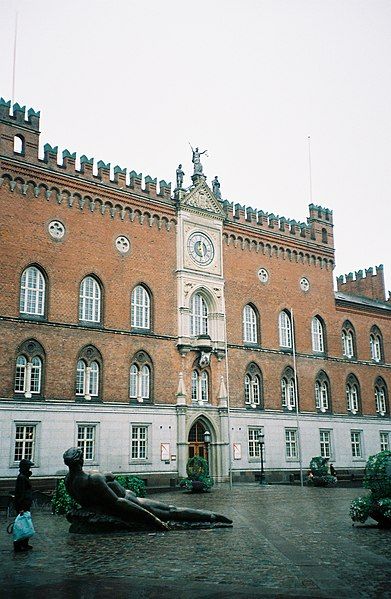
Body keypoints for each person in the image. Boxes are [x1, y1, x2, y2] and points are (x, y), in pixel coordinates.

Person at [63, 447, 232, 530]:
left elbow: (91, 502)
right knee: (171, 511)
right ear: (81, 461)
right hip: (134, 502)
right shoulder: (94, 479)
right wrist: (154, 520)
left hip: (124, 501)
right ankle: (211, 517)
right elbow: (118, 502)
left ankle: (212, 517)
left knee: (172, 510)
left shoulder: (69, 481)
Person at [14, 458, 34, 552]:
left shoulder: (24, 477)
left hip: (25, 505)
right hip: (23, 506)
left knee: (25, 524)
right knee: (21, 525)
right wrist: (21, 508)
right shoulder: (22, 478)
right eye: (28, 467)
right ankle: (18, 545)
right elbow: (21, 493)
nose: (30, 469)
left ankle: (24, 544)